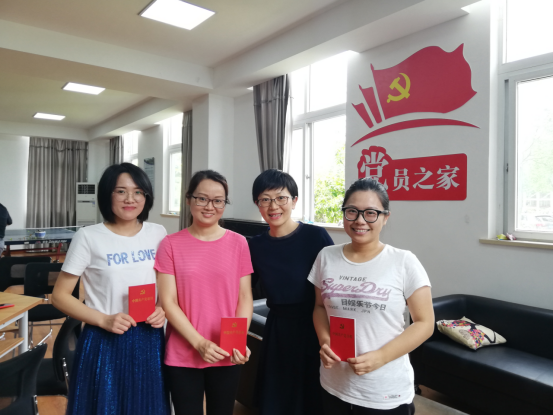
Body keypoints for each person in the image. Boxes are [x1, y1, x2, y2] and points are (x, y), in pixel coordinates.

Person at [52, 163, 170, 415]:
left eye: (138, 192)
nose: (130, 199)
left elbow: (165, 285)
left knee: (146, 406)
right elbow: (60, 296)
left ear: (146, 197)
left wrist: (162, 308)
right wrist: (103, 320)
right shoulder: (88, 237)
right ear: (108, 194)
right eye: (121, 191)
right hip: (104, 337)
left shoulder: (158, 233)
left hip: (149, 337)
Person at [309, 178, 435, 415]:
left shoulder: (404, 261)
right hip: (334, 383)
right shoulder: (326, 256)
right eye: (352, 211)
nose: (360, 220)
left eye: (371, 213)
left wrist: (381, 357)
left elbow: (425, 323)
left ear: (385, 217)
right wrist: (325, 341)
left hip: (383, 390)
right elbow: (319, 307)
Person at [155, 170, 253, 415]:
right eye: (202, 199)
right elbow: (168, 301)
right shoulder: (170, 244)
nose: (210, 206)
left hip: (226, 350)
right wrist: (199, 343)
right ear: (189, 199)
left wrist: (239, 339)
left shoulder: (239, 243)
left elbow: (244, 297)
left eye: (218, 200)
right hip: (183, 352)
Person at [248, 169, 334, 415]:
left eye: (281, 198)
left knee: (313, 396)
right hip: (278, 329)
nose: (273, 206)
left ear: (294, 201)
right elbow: (242, 290)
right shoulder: (255, 245)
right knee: (279, 396)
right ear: (257, 204)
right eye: (265, 199)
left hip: (314, 326)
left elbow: (334, 284)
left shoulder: (316, 237)